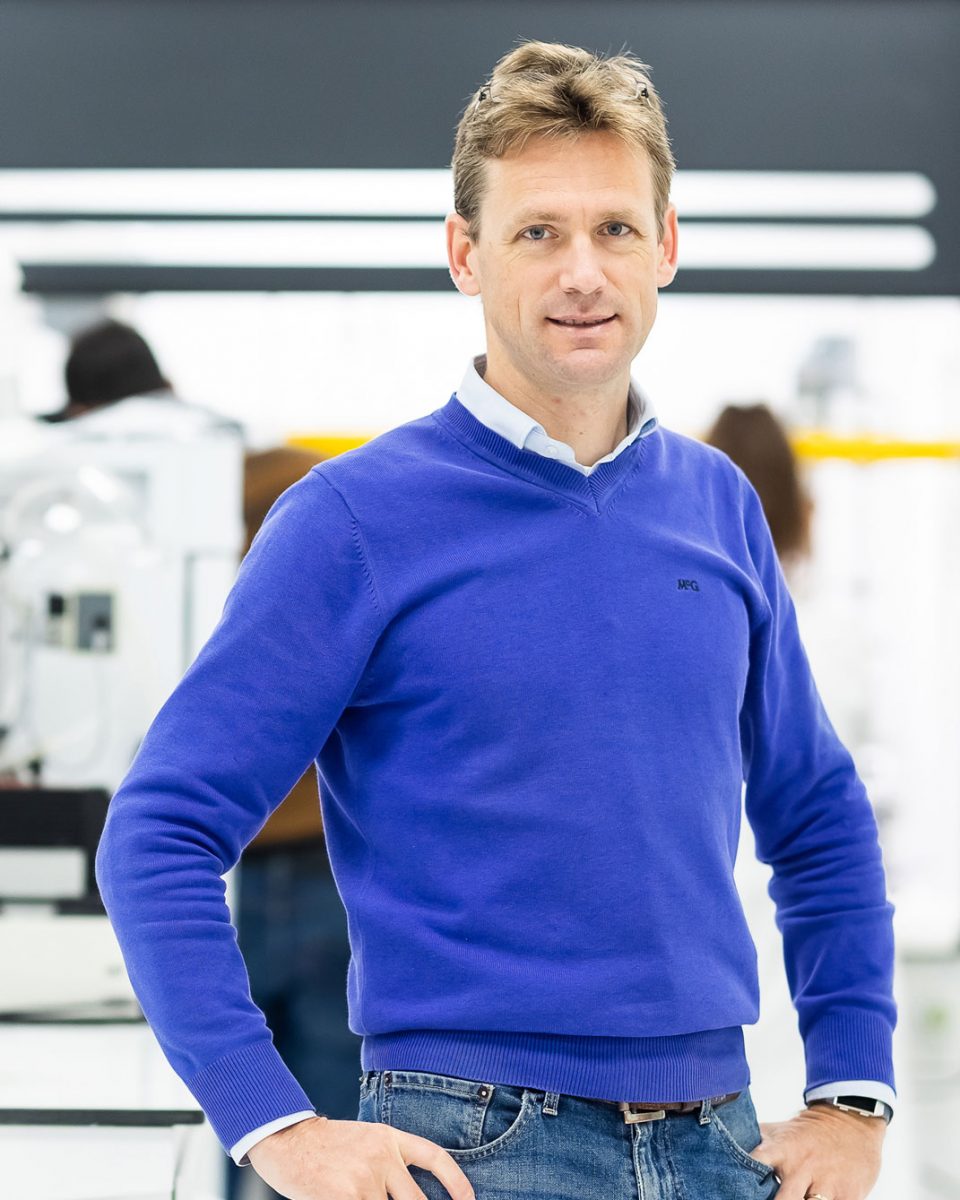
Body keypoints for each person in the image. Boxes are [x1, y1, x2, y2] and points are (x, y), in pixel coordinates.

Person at [95, 40, 897, 1200]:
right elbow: (162, 828)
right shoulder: (352, 520)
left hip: (716, 1140)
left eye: (615, 229)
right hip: (471, 1145)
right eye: (538, 233)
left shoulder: (716, 505)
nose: (584, 272)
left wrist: (853, 1095)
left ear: (666, 247)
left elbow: (818, 816)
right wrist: (271, 1120)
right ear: (466, 255)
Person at [46, 319, 363, 1200]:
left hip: (214, 859)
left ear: (85, 410)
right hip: (328, 854)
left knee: (238, 1127)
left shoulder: (121, 500)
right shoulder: (305, 481)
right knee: (341, 1131)